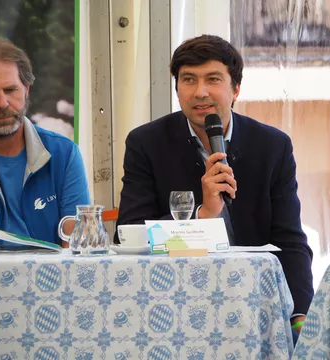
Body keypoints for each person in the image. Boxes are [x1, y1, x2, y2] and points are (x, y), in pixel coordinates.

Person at [116, 35, 313, 334]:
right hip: (171, 303)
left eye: (213, 79)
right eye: (189, 80)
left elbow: (290, 240)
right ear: (177, 89)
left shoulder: (272, 146)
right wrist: (202, 215)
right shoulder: (146, 144)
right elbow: (129, 235)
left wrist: (300, 314)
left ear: (235, 89)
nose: (200, 92)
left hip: (253, 302)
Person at [0, 38, 90, 247]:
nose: (2, 103)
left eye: (10, 90)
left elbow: (76, 247)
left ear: (27, 89)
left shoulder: (64, 155)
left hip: (49, 278)